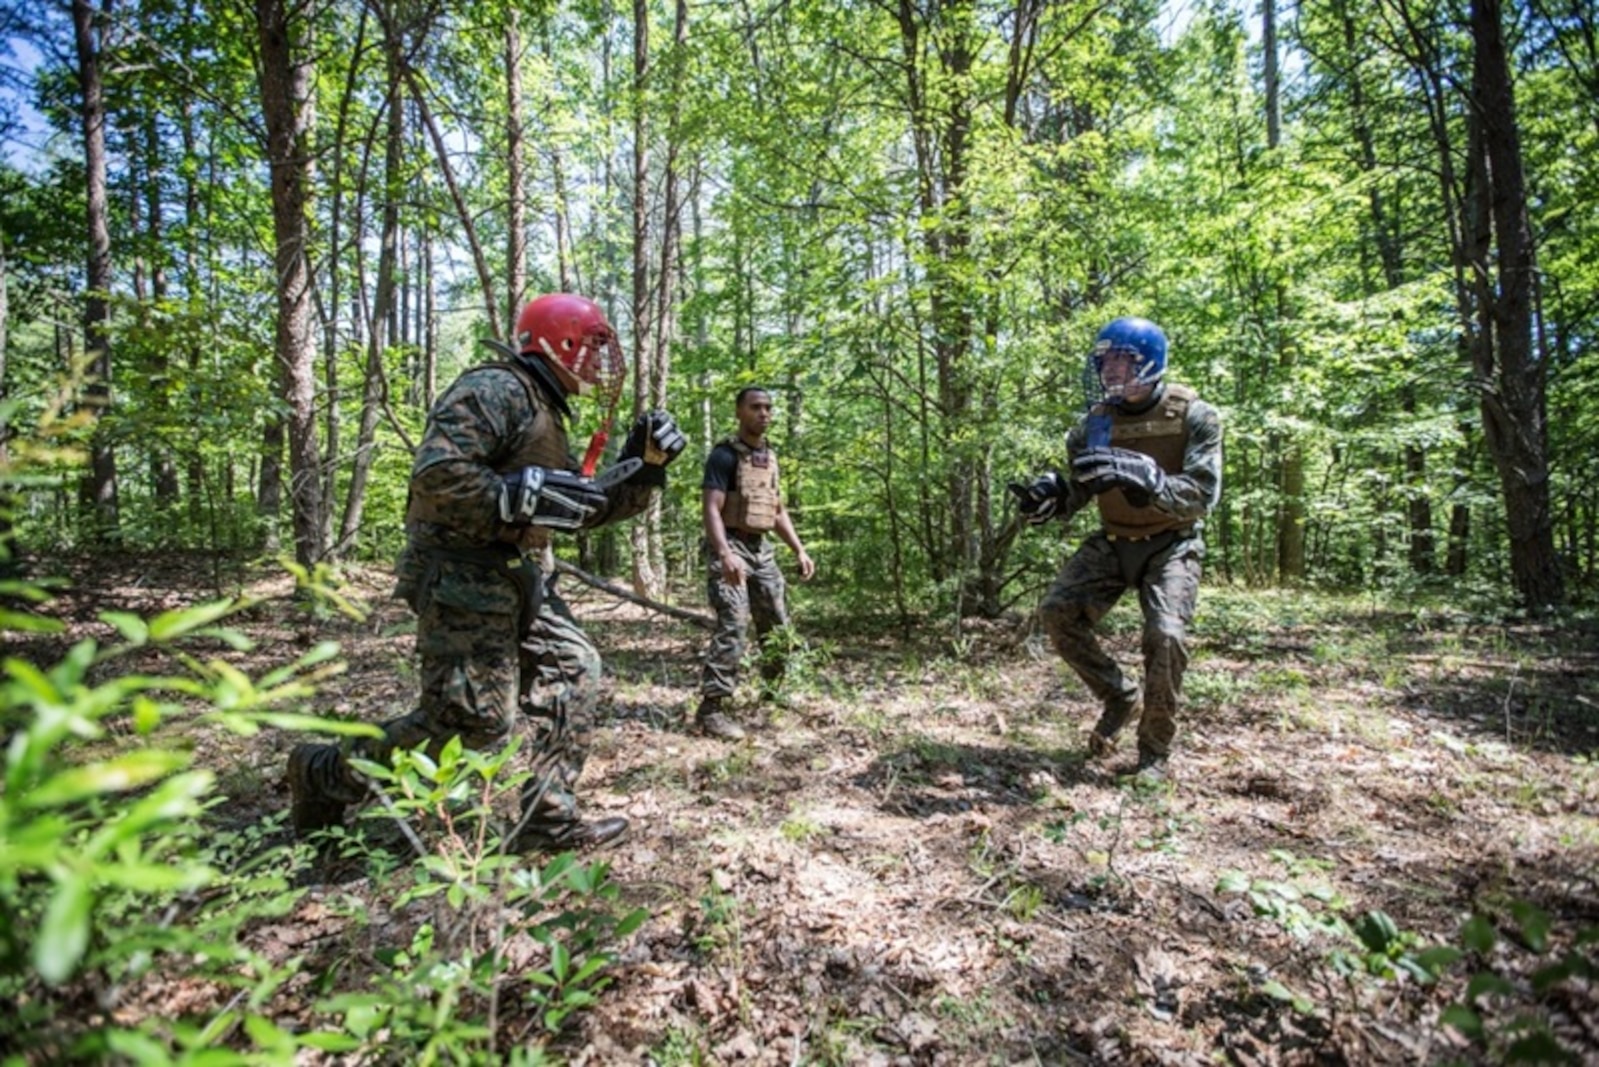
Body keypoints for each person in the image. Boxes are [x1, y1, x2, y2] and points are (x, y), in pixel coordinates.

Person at [288, 293, 687, 850]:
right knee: (469, 723)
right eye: (593, 347)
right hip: (460, 574)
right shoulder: (497, 389)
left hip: (519, 576)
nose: (601, 363)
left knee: (575, 670)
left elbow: (578, 506)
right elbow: (438, 473)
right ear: (560, 341)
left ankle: (545, 820)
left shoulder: (546, 411)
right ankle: (324, 772)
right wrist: (510, 496)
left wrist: (644, 468)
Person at [1011, 316, 1222, 780]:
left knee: (1165, 636)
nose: (1110, 372)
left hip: (1172, 543)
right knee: (1057, 612)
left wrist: (1154, 483)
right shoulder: (1093, 424)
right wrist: (1049, 499)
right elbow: (1081, 488)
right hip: (1113, 538)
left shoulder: (1193, 415)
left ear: (1149, 362)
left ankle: (1153, 754)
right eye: (1104, 362)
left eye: (1121, 361)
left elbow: (1203, 494)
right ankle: (1117, 696)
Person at [693, 386, 815, 740]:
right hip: (730, 545)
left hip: (762, 550)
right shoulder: (724, 456)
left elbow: (775, 510)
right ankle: (711, 709)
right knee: (733, 622)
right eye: (755, 407)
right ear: (739, 412)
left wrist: (799, 550)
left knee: (777, 622)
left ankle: (774, 690)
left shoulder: (770, 457)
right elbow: (711, 508)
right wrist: (724, 553)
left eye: (768, 408)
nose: (763, 413)